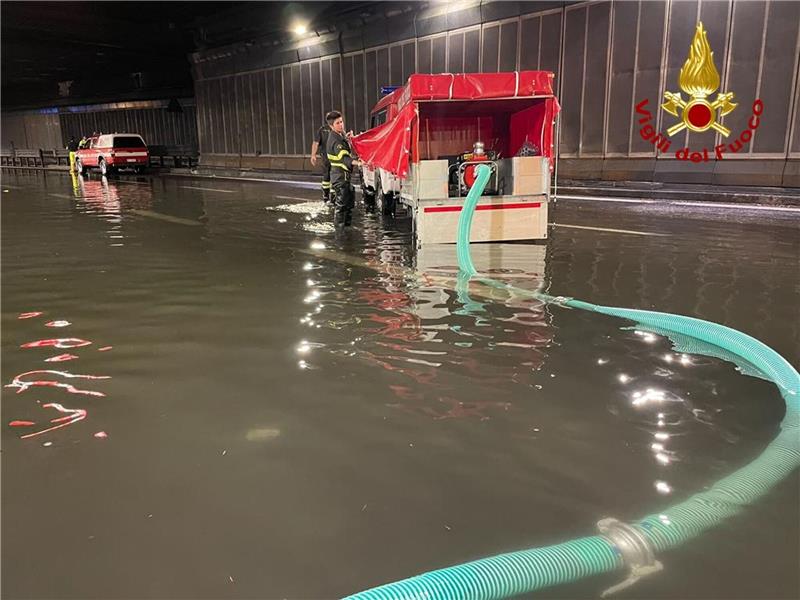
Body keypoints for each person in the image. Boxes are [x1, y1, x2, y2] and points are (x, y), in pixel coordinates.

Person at [325, 111, 362, 227]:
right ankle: (340, 234)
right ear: (331, 126)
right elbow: (344, 158)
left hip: (342, 177)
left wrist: (348, 139)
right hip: (340, 177)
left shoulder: (339, 136)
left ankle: (346, 229)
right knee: (341, 207)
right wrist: (359, 163)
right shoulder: (336, 140)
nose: (341, 125)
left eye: (341, 122)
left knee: (348, 205)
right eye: (337, 123)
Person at [310, 112, 337, 203]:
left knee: (328, 177)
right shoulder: (328, 130)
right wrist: (313, 155)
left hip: (327, 158)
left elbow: (316, 142)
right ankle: (332, 197)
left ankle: (327, 196)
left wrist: (313, 155)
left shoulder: (322, 130)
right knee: (332, 176)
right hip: (333, 158)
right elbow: (316, 142)